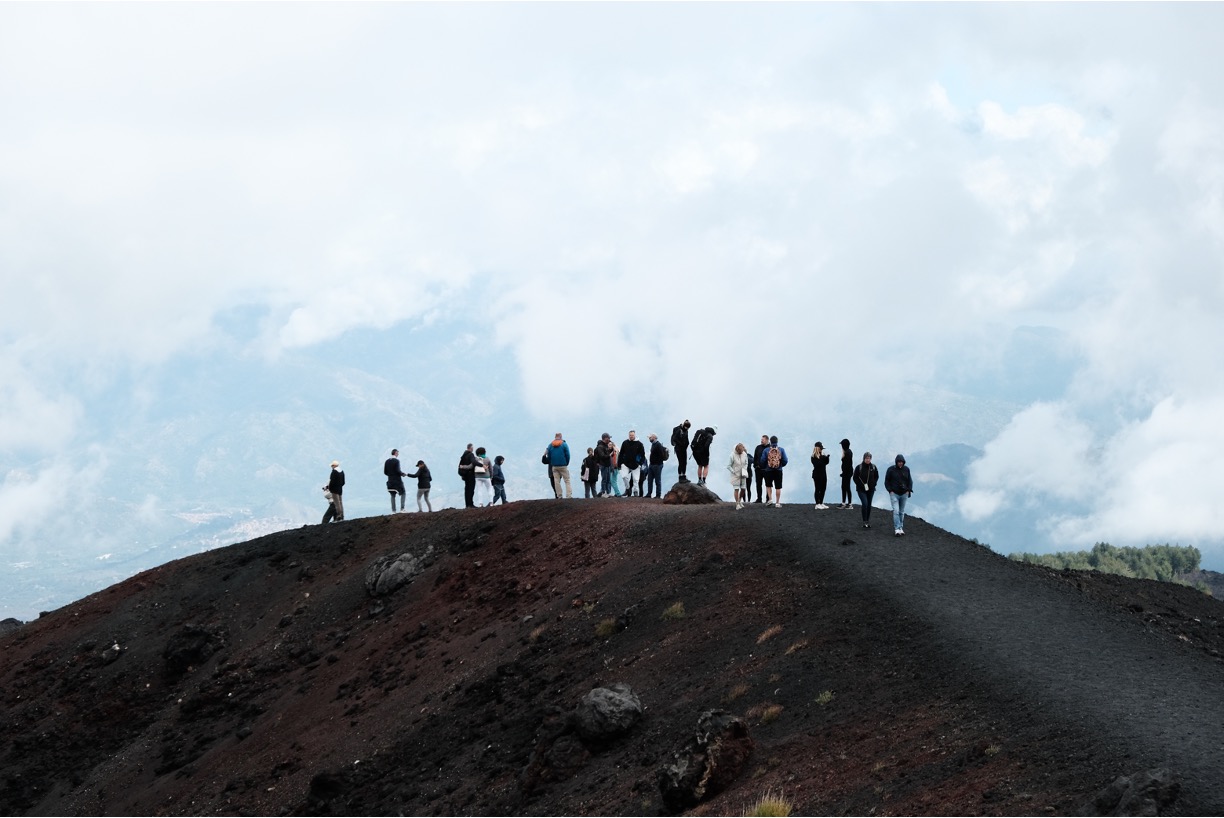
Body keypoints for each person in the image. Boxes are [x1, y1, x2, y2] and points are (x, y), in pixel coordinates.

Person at [885, 454, 913, 536]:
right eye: (899, 462)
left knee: (901, 512)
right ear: (896, 462)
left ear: (903, 462)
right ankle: (897, 528)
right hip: (894, 494)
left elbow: (910, 481)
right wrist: (890, 491)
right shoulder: (891, 470)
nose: (900, 463)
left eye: (901, 462)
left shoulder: (906, 469)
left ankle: (901, 527)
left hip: (904, 493)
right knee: (896, 511)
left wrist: (908, 490)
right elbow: (886, 481)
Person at [757, 435, 788, 507]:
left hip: (768, 470)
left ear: (770, 441)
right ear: (777, 441)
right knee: (778, 487)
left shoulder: (766, 450)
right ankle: (777, 503)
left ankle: (770, 499)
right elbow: (785, 460)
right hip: (778, 470)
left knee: (768, 485)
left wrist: (766, 466)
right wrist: (780, 465)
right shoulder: (781, 450)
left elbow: (762, 460)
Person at [853, 451, 880, 528]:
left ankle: (867, 521)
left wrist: (874, 483)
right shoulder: (859, 467)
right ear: (864, 458)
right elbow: (855, 477)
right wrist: (860, 485)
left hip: (871, 489)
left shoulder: (873, 467)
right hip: (861, 489)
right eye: (866, 458)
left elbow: (877, 476)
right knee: (865, 503)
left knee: (869, 505)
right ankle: (864, 521)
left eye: (869, 458)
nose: (868, 460)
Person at [619, 430, 646, 498]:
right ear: (629, 435)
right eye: (630, 435)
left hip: (636, 464)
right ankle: (628, 488)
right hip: (626, 463)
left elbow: (643, 455)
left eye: (632, 435)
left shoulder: (639, 444)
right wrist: (620, 463)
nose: (631, 436)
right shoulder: (625, 443)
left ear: (635, 435)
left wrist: (640, 463)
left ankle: (635, 491)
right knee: (624, 476)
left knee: (636, 479)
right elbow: (621, 453)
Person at [545, 433, 572, 498]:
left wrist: (552, 462)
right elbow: (568, 454)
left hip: (554, 466)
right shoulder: (564, 444)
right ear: (561, 437)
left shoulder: (550, 445)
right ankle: (568, 495)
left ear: (555, 437)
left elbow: (549, 456)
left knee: (556, 481)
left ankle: (559, 495)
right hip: (563, 465)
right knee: (567, 480)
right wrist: (566, 462)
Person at [727, 442, 751, 510]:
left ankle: (740, 500)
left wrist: (745, 469)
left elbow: (746, 462)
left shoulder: (744, 454)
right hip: (735, 475)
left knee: (743, 488)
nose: (741, 453)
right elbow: (728, 466)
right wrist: (733, 471)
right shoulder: (732, 455)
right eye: (740, 452)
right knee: (736, 489)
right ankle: (737, 503)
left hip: (743, 474)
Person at [384, 449, 407, 513]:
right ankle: (402, 509)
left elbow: (385, 472)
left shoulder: (387, 461)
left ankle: (393, 511)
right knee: (403, 493)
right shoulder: (396, 461)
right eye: (398, 453)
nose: (398, 454)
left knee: (392, 495)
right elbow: (398, 471)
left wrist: (390, 475)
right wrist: (402, 474)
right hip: (397, 481)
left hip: (390, 481)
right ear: (396, 453)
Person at [811, 442, 831, 509]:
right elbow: (817, 464)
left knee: (823, 489)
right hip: (817, 475)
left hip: (823, 474)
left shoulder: (822, 455)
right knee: (817, 489)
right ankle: (817, 504)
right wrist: (823, 458)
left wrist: (827, 458)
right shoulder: (813, 456)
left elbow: (826, 463)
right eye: (821, 449)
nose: (822, 450)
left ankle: (821, 502)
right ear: (818, 448)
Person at [646, 433, 667, 498]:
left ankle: (658, 495)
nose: (649, 439)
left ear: (654, 437)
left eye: (650, 437)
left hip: (657, 465)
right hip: (652, 465)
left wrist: (657, 462)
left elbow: (661, 455)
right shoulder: (653, 444)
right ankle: (649, 493)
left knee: (657, 480)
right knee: (650, 480)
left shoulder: (658, 445)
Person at [458, 444, 478, 508]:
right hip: (470, 474)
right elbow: (473, 463)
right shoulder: (471, 455)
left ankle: (467, 504)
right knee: (471, 489)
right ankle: (471, 504)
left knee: (467, 489)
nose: (473, 449)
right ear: (470, 448)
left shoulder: (463, 455)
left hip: (465, 475)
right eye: (472, 448)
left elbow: (460, 465)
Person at [751, 435, 769, 503]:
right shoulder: (758, 447)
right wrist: (755, 466)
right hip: (758, 470)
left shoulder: (770, 448)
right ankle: (759, 499)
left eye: (763, 439)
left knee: (768, 484)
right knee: (758, 484)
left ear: (767, 440)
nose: (761, 441)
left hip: (767, 470)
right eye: (761, 439)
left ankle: (768, 499)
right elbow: (755, 458)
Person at [839, 439, 854, 509]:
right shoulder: (849, 451)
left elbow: (846, 465)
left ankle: (846, 503)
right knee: (846, 487)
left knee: (845, 487)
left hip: (847, 473)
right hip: (848, 472)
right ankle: (846, 503)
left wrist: (843, 473)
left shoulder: (847, 453)